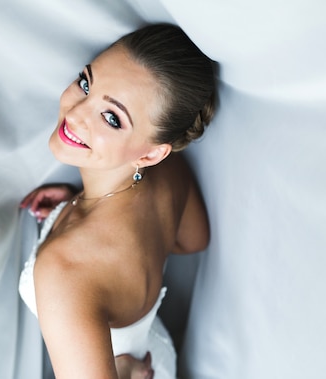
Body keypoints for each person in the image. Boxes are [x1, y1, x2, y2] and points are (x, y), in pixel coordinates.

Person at [19, 23, 217, 379]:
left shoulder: (65, 271)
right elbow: (195, 239)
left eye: (111, 118)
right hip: (151, 359)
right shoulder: (170, 174)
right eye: (86, 83)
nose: (76, 114)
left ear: (152, 153)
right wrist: (77, 205)